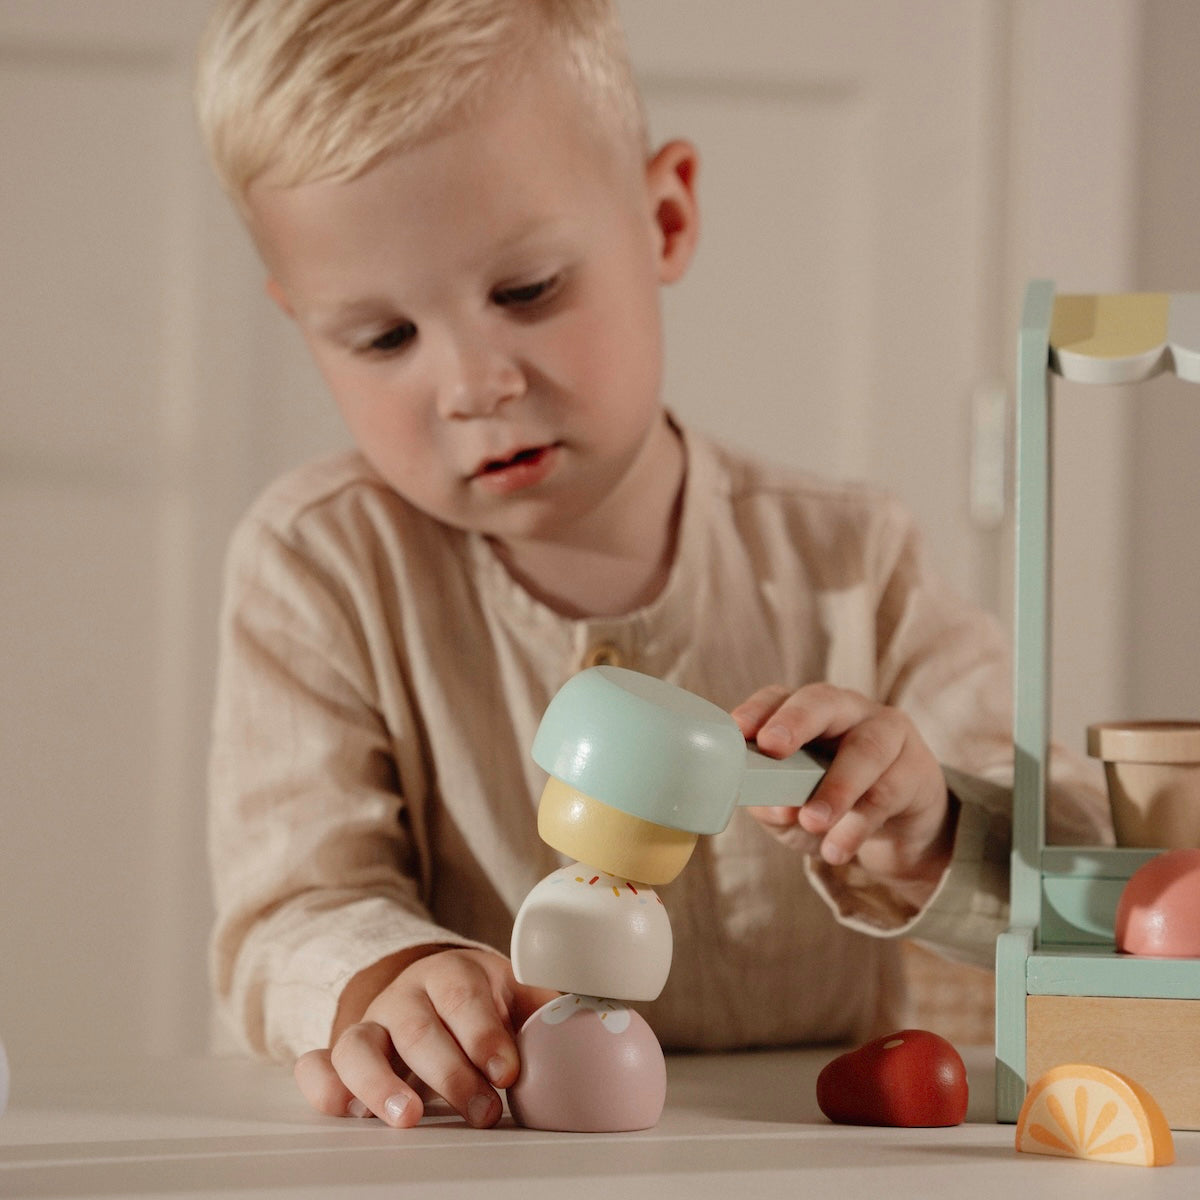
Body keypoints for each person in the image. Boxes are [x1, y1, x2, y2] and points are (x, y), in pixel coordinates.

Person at [195, 0, 1109, 1131]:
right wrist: (388, 981)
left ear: (665, 218)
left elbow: (1082, 857)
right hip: (472, 1158)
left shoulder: (849, 559)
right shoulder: (321, 564)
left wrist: (925, 830)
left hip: (800, 1152)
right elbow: (294, 906)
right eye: (384, 339)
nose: (475, 384)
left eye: (525, 292)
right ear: (304, 326)